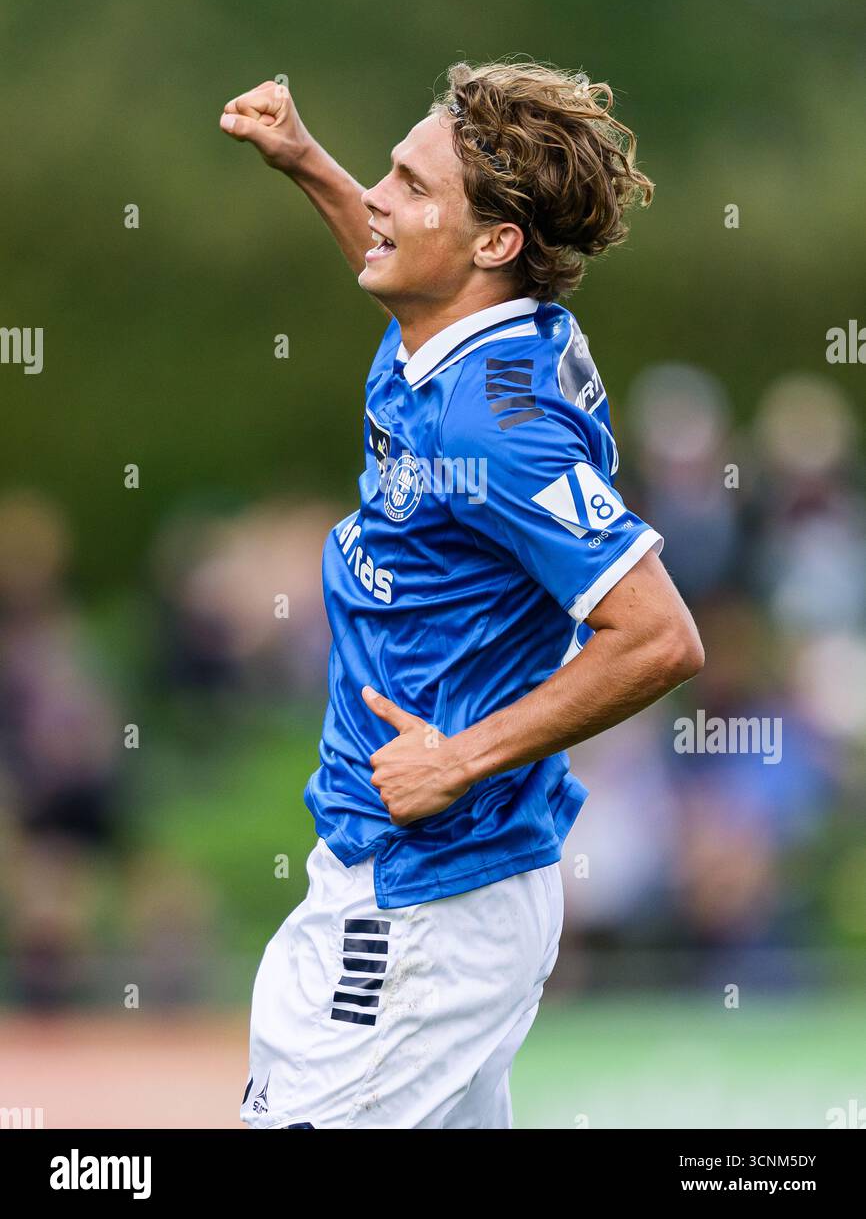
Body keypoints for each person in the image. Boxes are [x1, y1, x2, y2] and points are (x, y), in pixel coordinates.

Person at [220, 59, 704, 1129]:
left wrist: (459, 756)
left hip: (424, 893)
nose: (378, 200)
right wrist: (304, 160)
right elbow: (403, 267)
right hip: (431, 877)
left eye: (407, 182)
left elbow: (658, 638)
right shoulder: (455, 330)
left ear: (492, 245)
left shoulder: (493, 429)